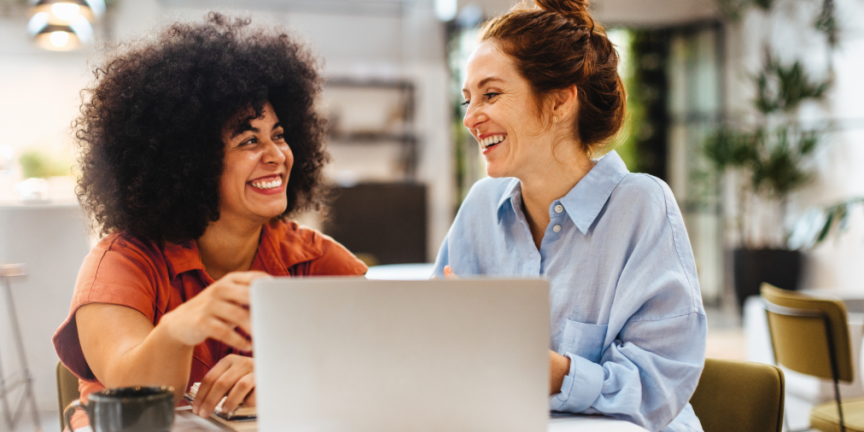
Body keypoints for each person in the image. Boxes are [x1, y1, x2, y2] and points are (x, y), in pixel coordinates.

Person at [52, 14, 367, 429]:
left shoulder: (317, 262)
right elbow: (136, 396)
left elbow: (376, 371)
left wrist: (286, 373)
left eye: (279, 134)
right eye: (249, 140)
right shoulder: (123, 263)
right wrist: (180, 328)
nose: (276, 154)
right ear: (190, 162)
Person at [433, 1, 706, 431]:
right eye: (468, 99)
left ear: (560, 101)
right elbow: (440, 354)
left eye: (491, 94)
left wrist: (557, 373)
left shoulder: (640, 206)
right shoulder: (481, 207)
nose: (470, 118)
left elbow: (660, 386)